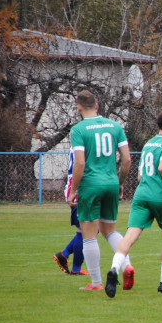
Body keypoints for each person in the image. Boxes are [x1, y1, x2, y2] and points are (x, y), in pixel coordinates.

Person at [105, 109, 162, 297]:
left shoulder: (149, 144)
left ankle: (114, 269)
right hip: (160, 197)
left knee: (130, 236)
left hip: (141, 195)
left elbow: (143, 174)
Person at [65, 90, 133, 292]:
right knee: (110, 230)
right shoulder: (115, 126)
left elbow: (80, 163)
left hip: (91, 185)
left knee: (89, 235)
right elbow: (127, 160)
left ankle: (95, 283)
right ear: (98, 105)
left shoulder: (78, 130)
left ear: (79, 108)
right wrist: (120, 182)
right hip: (111, 182)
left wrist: (73, 191)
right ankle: (127, 265)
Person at [52, 149, 90, 277]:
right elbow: (80, 165)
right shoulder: (82, 140)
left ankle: (64, 254)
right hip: (79, 186)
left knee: (92, 230)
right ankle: (76, 268)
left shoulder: (81, 137)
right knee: (83, 231)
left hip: (83, 186)